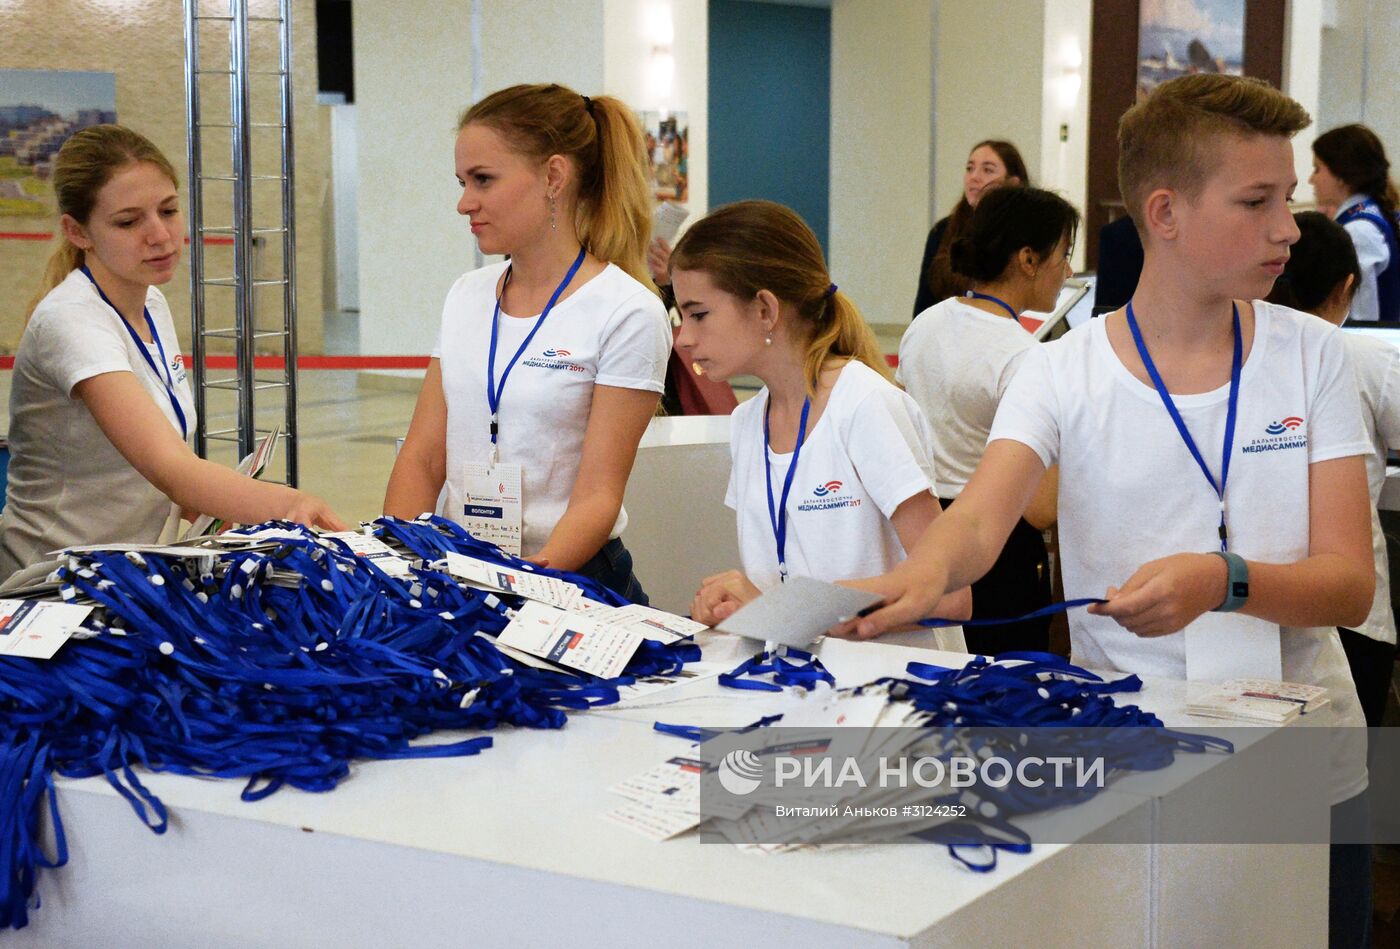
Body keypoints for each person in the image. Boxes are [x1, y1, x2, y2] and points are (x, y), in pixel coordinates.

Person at [844, 75, 1373, 945]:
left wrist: (1223, 580)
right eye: (1257, 200)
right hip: (1135, 752)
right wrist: (913, 578)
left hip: (1304, 757)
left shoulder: (1313, 354)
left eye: (1288, 197)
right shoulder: (1061, 368)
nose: (1289, 226)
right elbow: (982, 515)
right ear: (1164, 212)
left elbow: (1348, 584)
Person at [0, 125, 345, 584]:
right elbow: (171, 469)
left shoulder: (150, 302)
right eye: (128, 222)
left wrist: (230, 510)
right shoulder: (71, 322)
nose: (160, 235)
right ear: (77, 231)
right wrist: (293, 506)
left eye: (168, 211)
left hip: (134, 570)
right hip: (52, 581)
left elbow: (152, 475)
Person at [384, 84, 670, 603]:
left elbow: (597, 497)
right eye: (462, 181)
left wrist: (519, 588)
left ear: (553, 177)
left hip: (569, 580)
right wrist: (395, 564)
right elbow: (424, 458)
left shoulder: (627, 311)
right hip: (460, 575)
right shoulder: (466, 295)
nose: (463, 203)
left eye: (483, 180)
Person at [671, 200, 969, 649]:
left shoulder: (865, 406)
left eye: (699, 314)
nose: (685, 338)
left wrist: (777, 609)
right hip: (801, 689)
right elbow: (787, 587)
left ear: (766, 310)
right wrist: (740, 610)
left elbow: (950, 595)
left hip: (891, 696)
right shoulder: (747, 424)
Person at [898, 185, 1078, 654]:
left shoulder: (925, 324)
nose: (1069, 271)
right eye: (1064, 254)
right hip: (999, 549)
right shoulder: (1022, 356)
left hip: (928, 534)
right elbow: (1039, 506)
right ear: (1028, 259)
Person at [1268, 210, 1398, 728]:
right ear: (1346, 287)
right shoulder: (1362, 356)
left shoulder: (1231, 351)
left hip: (1255, 602)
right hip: (1352, 607)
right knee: (1346, 776)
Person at [912, 140, 1029, 318]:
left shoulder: (1025, 234)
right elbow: (923, 309)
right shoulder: (943, 230)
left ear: (1013, 183)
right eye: (970, 168)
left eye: (987, 170)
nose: (974, 177)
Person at [1310, 123, 1400, 323]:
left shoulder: (1358, 231)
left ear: (1340, 175)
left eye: (1317, 169)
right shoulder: (1371, 215)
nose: (1311, 179)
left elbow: (1361, 317)